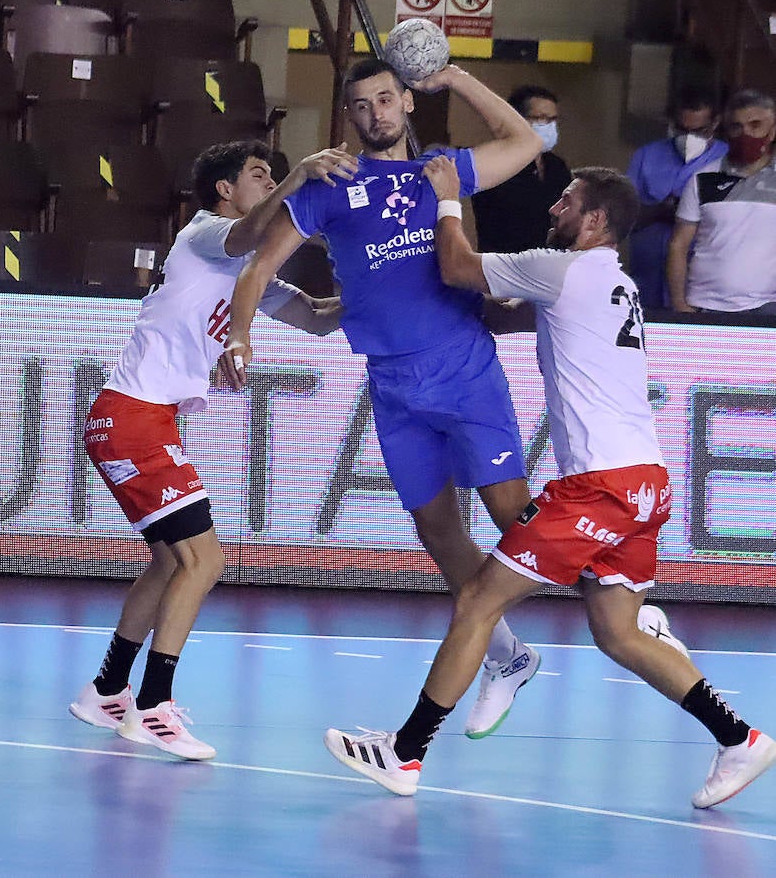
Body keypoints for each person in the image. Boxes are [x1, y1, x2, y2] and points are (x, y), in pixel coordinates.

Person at [325, 161, 776, 809]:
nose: (552, 210)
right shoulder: (614, 283)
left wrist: (448, 201)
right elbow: (508, 316)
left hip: (600, 486)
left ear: (595, 221)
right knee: (616, 631)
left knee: (480, 598)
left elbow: (457, 266)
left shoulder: (562, 268)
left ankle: (405, 753)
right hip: (647, 482)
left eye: (566, 202)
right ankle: (738, 737)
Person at [220, 58, 548, 740]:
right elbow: (255, 266)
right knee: (437, 532)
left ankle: (625, 598)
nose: (376, 113)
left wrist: (456, 78)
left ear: (407, 102)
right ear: (349, 118)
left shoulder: (445, 169)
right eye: (362, 105)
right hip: (392, 384)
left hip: (462, 366)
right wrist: (240, 337)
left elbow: (525, 141)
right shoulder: (329, 182)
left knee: (517, 518)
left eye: (386, 99)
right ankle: (507, 655)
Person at [72, 140, 349, 760]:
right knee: (205, 560)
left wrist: (382, 285)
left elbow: (317, 317)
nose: (271, 180)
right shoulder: (205, 233)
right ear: (225, 190)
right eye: (260, 174)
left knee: (173, 562)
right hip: (130, 418)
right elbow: (252, 229)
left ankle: (108, 690)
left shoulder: (252, 273)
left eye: (275, 173)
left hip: (147, 421)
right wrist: (300, 177)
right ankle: (153, 707)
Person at [665, 88, 776, 316]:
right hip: (704, 307)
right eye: (737, 127)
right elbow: (678, 245)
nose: (746, 134)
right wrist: (680, 305)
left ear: (772, 130)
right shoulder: (702, 179)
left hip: (767, 308)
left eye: (755, 125)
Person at [626, 86, 726, 309]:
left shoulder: (726, 160)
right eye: (682, 129)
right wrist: (660, 210)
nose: (689, 138)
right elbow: (624, 215)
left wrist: (688, 213)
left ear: (715, 123)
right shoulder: (647, 155)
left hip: (699, 281)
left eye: (698, 131)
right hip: (647, 273)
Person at [470, 85, 572, 253]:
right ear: (516, 119)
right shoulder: (494, 162)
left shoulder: (556, 166)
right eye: (541, 118)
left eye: (553, 120)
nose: (548, 126)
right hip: (503, 263)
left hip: (547, 261)